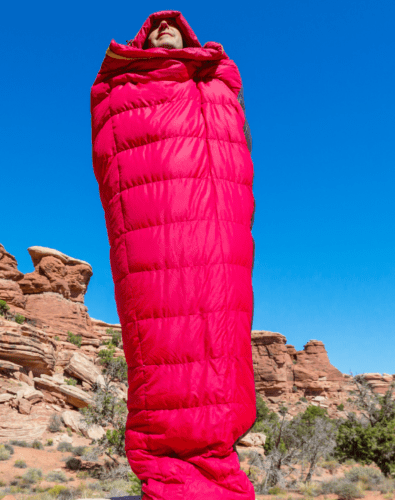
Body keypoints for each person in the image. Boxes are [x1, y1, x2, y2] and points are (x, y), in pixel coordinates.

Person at [90, 11, 256, 500]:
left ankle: (212, 468)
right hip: (157, 220)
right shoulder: (124, 84)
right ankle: (173, 470)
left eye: (174, 26)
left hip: (216, 217)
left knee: (223, 338)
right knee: (165, 337)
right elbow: (111, 131)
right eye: (156, 26)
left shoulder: (216, 81)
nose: (165, 28)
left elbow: (236, 132)